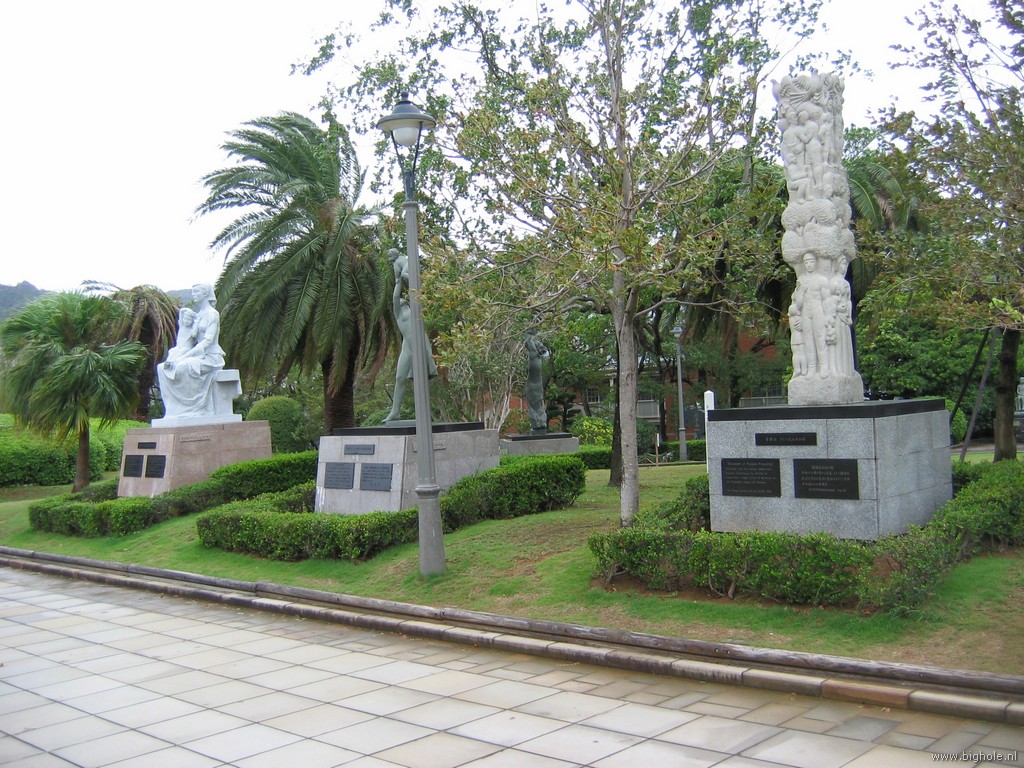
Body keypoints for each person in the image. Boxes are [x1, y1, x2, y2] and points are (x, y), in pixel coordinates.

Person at [156, 283, 226, 417]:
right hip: (196, 355)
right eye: (193, 292)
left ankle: (194, 408)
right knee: (162, 368)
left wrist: (183, 357)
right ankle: (174, 410)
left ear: (205, 293)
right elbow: (188, 340)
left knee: (181, 367)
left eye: (196, 292)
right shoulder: (197, 315)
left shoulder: (213, 314)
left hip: (210, 356)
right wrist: (177, 354)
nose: (193, 294)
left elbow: (207, 342)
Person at [383, 257, 437, 423]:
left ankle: (424, 412)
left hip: (419, 342)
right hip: (408, 345)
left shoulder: (415, 309)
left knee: (421, 378)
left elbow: (418, 295)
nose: (400, 299)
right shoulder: (399, 313)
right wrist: (398, 280)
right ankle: (395, 411)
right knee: (400, 377)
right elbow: (395, 297)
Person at [525, 328, 549, 433]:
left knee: (533, 405)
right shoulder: (539, 358)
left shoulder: (534, 354)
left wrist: (530, 332)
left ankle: (538, 423)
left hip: (532, 385)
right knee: (538, 404)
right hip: (538, 384)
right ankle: (541, 423)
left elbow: (527, 341)